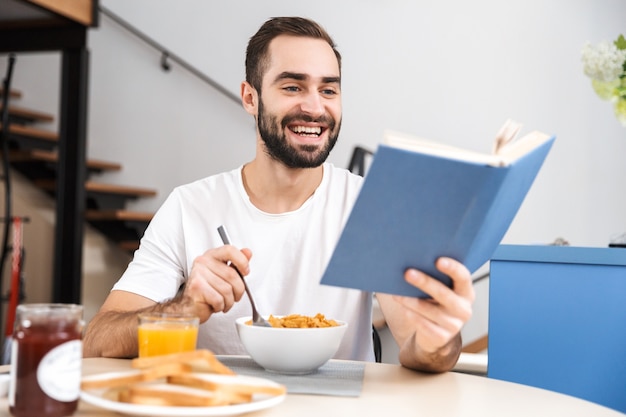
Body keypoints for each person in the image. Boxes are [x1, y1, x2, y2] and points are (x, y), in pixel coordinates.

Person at [83, 16, 475, 373]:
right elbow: (96, 342)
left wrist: (438, 339)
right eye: (293, 86)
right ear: (251, 98)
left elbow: (418, 348)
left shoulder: (372, 207)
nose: (314, 107)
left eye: (329, 90)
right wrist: (182, 308)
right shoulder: (189, 207)